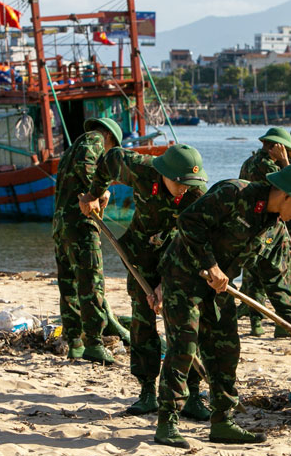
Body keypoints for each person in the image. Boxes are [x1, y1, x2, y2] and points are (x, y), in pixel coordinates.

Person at [155, 163, 291, 449]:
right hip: (185, 275)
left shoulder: (276, 231)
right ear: (285, 194)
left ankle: (222, 422)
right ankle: (167, 422)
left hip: (220, 287)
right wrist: (210, 264)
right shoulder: (235, 193)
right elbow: (188, 221)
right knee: (184, 346)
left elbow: (277, 281)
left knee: (226, 348)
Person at [80, 143, 210, 419]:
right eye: (180, 183)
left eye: (190, 183)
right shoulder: (139, 169)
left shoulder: (197, 195)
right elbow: (108, 160)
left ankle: (193, 394)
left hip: (179, 256)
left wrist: (167, 284)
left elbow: (197, 244)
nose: (185, 188)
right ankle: (147, 391)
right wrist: (95, 193)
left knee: (186, 322)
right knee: (142, 321)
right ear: (165, 174)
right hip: (140, 253)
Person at [52, 118, 123, 364]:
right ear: (110, 138)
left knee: (69, 285)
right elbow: (87, 166)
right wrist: (100, 191)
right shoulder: (95, 139)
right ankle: (93, 342)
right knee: (92, 283)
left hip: (61, 225)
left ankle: (74, 343)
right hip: (81, 224)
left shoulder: (69, 150)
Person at [237, 127, 291, 337]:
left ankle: (258, 321)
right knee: (278, 273)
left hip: (251, 224)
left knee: (255, 276)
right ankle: (281, 325)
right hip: (266, 227)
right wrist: (284, 162)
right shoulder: (269, 166)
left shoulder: (248, 162)